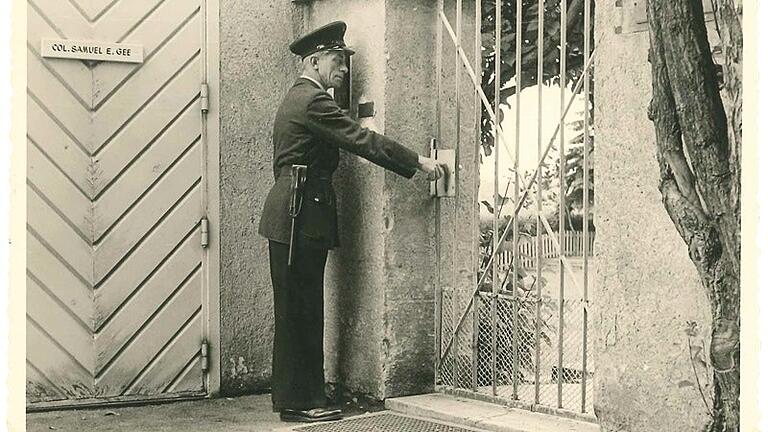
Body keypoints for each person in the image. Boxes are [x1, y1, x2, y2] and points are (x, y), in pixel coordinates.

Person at [258, 20, 449, 423]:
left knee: (298, 307)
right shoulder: (313, 101)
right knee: (301, 309)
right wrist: (417, 161)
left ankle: (298, 399)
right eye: (337, 60)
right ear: (315, 61)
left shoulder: (302, 99)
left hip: (296, 209)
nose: (344, 69)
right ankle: (303, 401)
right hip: (298, 213)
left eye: (345, 61)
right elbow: (362, 141)